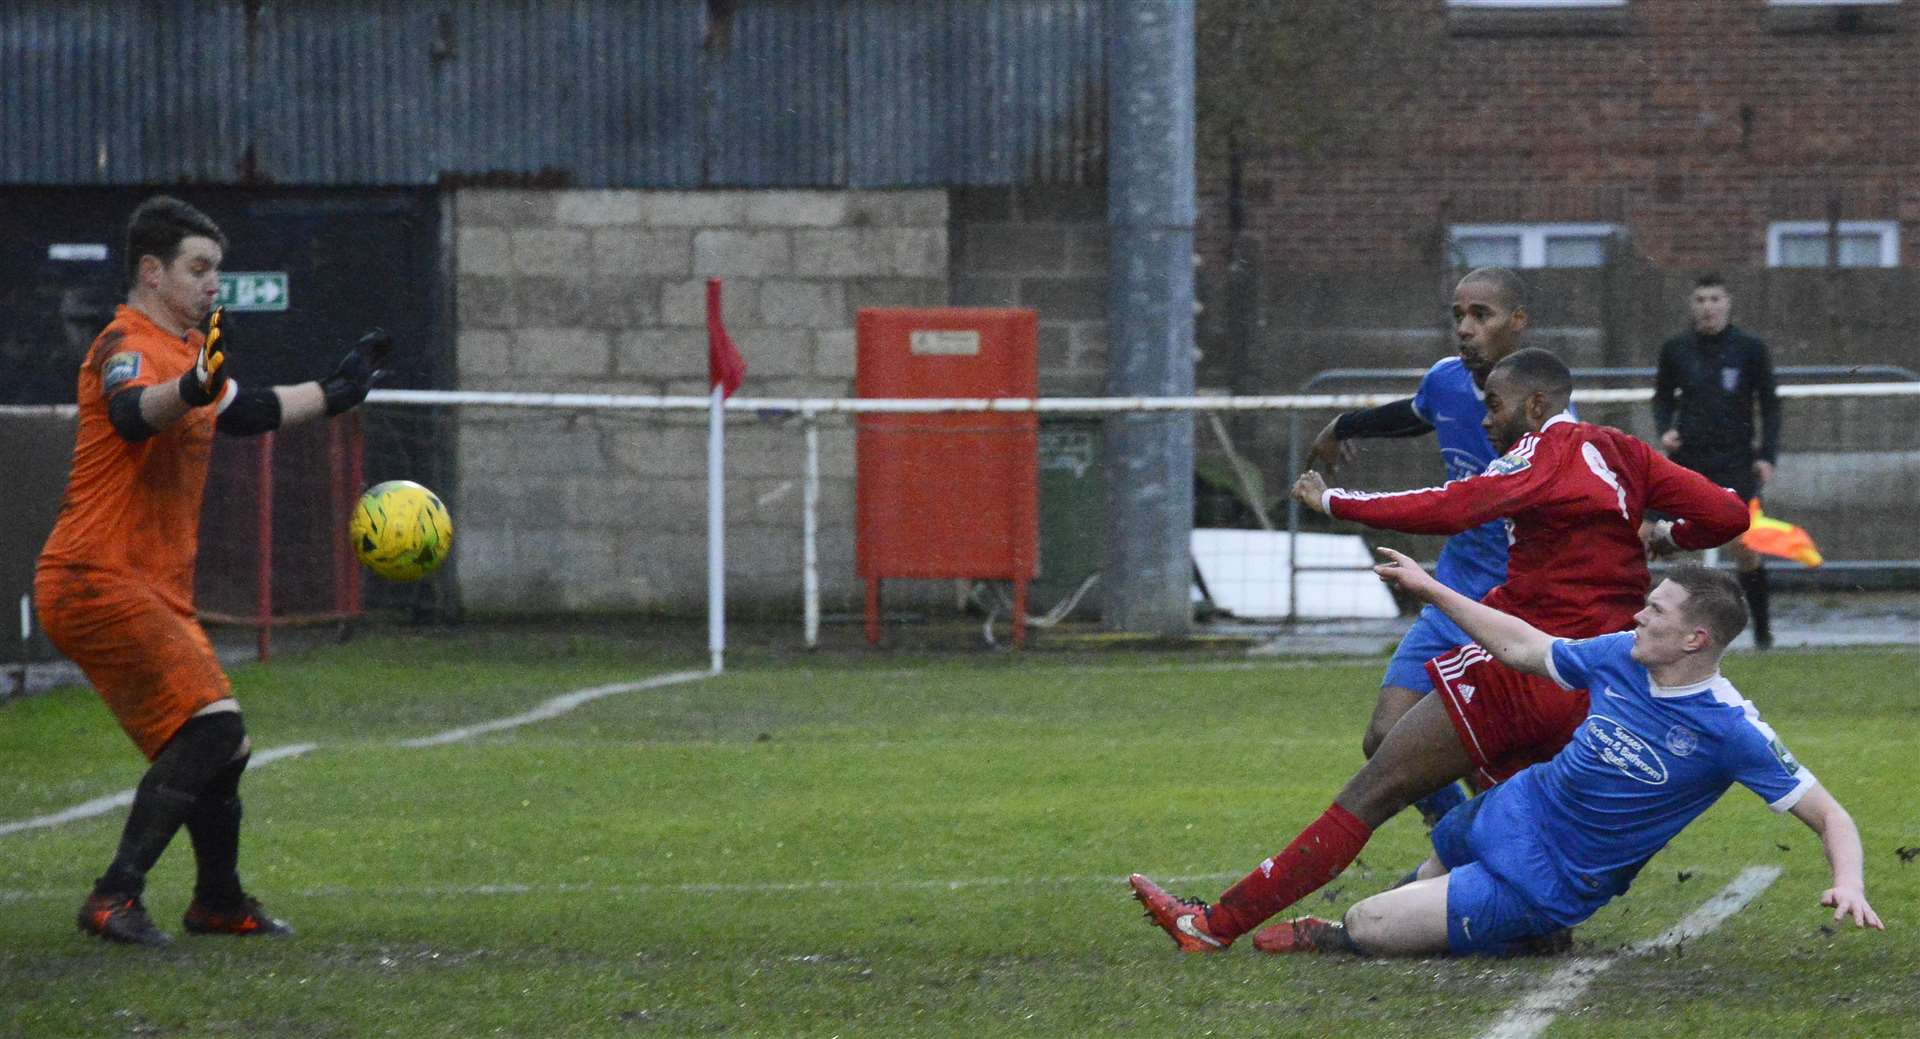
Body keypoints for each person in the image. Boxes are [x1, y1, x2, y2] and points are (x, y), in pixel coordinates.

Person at [1128, 347, 1751, 953]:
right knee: (1504, 822)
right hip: (1601, 688)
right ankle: (1516, 929)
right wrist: (1669, 534)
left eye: (1495, 407)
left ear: (1535, 405)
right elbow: (1727, 513)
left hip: (1529, 671)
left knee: (1376, 787)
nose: (1486, 421)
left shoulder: (1541, 452)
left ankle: (1213, 924)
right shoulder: (1623, 451)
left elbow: (1453, 505)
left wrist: (1334, 501)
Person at [34, 195, 391, 947]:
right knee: (211, 728)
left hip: (142, 582)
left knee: (224, 744)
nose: (212, 284)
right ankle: (114, 894)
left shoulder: (189, 353)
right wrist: (191, 389)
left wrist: (338, 390)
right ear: (151, 270)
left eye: (217, 271)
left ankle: (218, 899)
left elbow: (249, 409)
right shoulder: (124, 342)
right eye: (199, 269)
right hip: (97, 574)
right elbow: (135, 411)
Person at [1248, 550, 1881, 957]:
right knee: (1418, 889)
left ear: (1695, 638)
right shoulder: (1619, 655)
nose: (1637, 616)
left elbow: (1832, 815)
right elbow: (1525, 646)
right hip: (1505, 811)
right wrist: (1431, 588)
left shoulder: (1731, 730)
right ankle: (1500, 929)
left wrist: (1847, 882)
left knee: (1368, 924)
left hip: (1549, 877)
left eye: (1653, 611)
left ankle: (1347, 936)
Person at [1303, 266, 1533, 825]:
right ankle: (1462, 850)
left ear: (1517, 324)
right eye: (1458, 315)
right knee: (1384, 739)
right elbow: (1414, 415)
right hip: (1452, 589)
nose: (1465, 328)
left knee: (1492, 759)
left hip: (1511, 606)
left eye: (1482, 315)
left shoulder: (1543, 413)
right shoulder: (1447, 382)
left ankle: (1503, 872)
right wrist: (1343, 425)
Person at [1652, 274, 1782, 648]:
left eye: (1714, 299)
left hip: (1736, 461)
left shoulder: (1750, 349)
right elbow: (1662, 397)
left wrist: (1767, 455)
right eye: (1700, 299)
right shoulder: (1676, 349)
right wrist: (1665, 429)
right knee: (1654, 538)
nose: (1707, 307)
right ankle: (1657, 628)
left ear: (1727, 303)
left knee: (1745, 545)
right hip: (1688, 460)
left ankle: (1762, 634)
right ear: (1692, 305)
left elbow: (1770, 405)